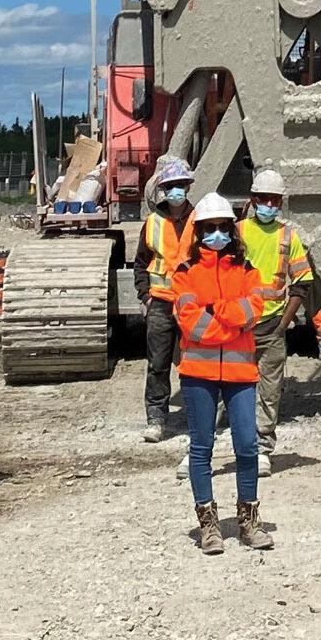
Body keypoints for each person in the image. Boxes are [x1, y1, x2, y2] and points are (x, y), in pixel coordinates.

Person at [171, 192, 273, 554]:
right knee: (201, 448)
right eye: (209, 228)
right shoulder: (184, 273)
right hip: (198, 372)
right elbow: (189, 323)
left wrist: (215, 310)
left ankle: (248, 522)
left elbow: (252, 311)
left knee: (247, 445)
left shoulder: (248, 272)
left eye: (222, 228)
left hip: (239, 373)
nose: (217, 234)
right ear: (198, 233)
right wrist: (230, 321)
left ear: (232, 230)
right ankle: (209, 527)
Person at [236, 169, 314, 476]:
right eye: (264, 199)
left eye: (275, 200)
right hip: (237, 326)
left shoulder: (287, 236)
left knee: (269, 390)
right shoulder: (238, 231)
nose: (270, 204)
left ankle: (262, 449)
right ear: (254, 199)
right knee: (225, 388)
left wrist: (284, 322)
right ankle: (204, 445)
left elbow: (302, 281)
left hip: (271, 326)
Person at [134, 158, 196, 445]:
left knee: (194, 363)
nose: (176, 191)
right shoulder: (153, 223)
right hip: (160, 303)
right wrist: (145, 296)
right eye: (171, 187)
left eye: (180, 186)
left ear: (187, 187)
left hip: (192, 304)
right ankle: (156, 419)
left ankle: (197, 416)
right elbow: (141, 263)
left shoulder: (200, 221)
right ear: (163, 190)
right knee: (158, 364)